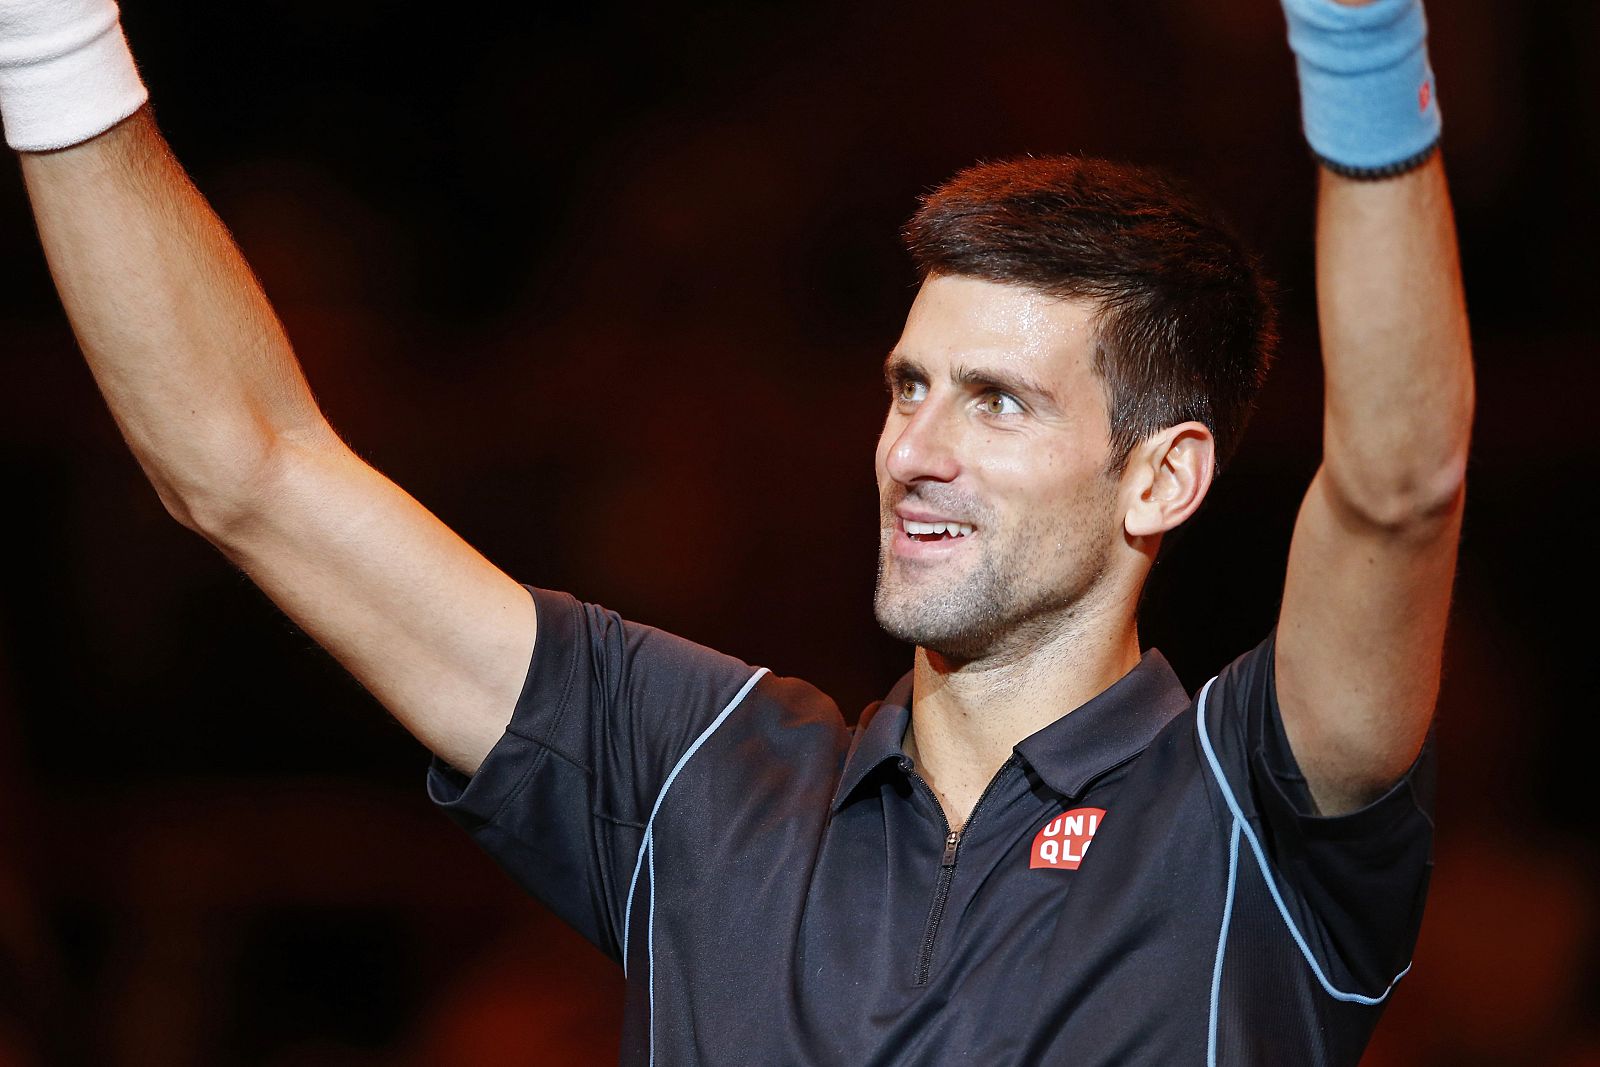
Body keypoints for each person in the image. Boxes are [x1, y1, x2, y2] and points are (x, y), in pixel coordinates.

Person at [2, 0, 1472, 1062]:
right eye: (909, 385)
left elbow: (1398, 486)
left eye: (1001, 405)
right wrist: (45, 27)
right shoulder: (700, 776)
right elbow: (246, 469)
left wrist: (1357, 43)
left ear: (1163, 478)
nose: (918, 449)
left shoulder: (1251, 814)